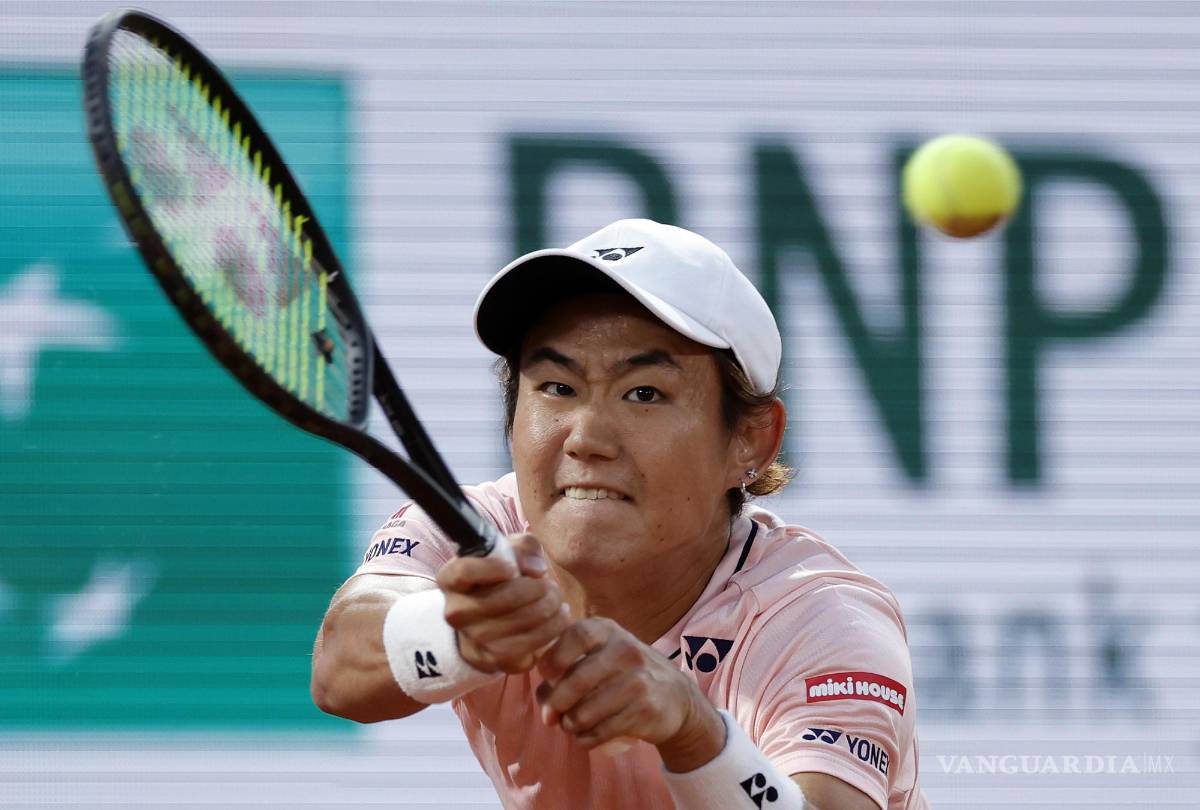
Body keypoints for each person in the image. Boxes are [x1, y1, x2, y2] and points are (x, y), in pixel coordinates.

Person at [311, 219, 929, 809]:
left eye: (644, 394)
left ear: (751, 440)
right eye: (557, 387)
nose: (586, 437)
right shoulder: (477, 533)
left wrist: (694, 734)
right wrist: (459, 634)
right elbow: (339, 672)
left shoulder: (822, 617)